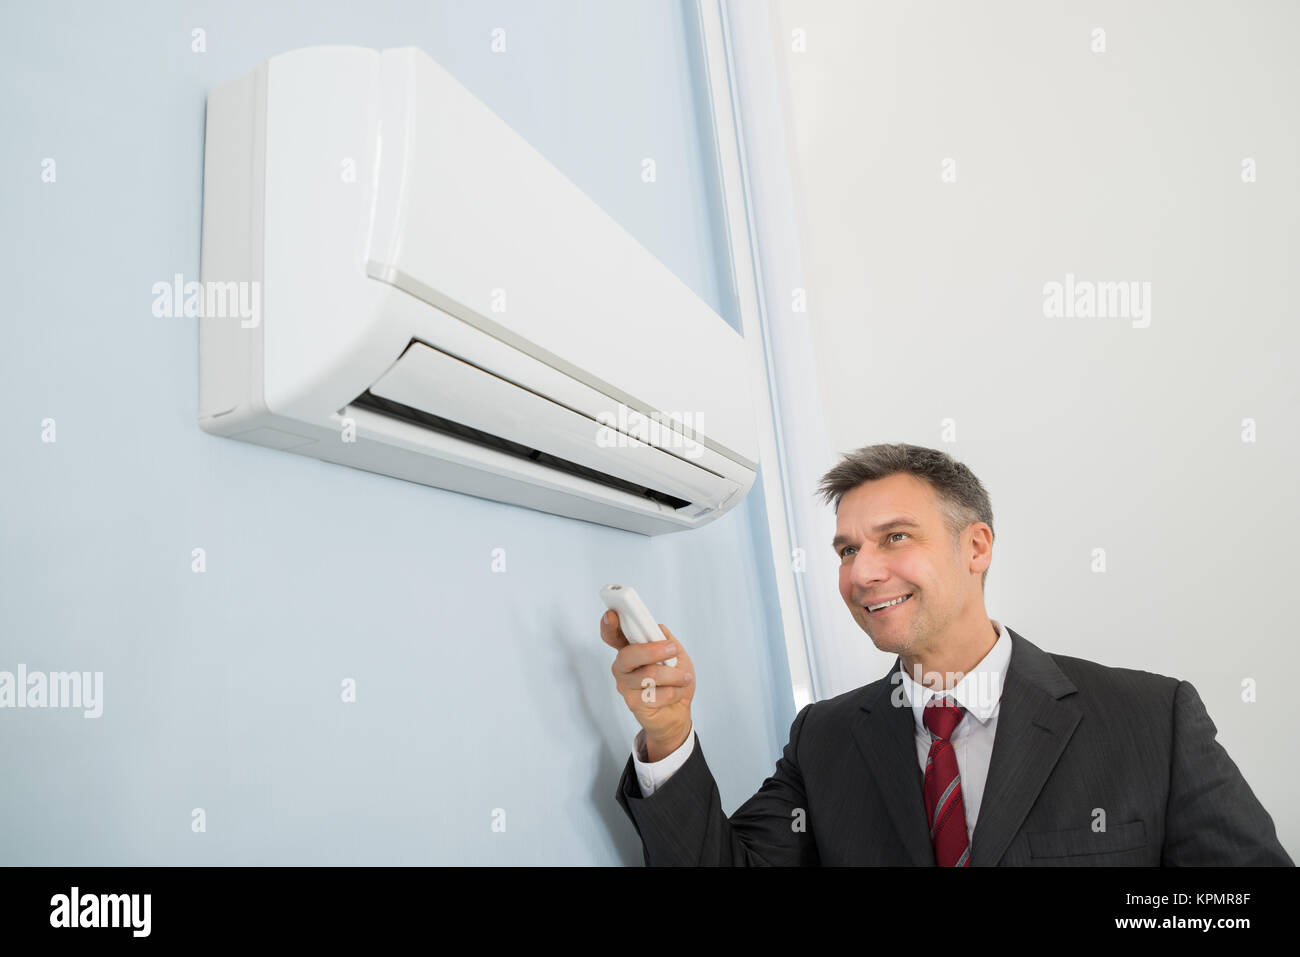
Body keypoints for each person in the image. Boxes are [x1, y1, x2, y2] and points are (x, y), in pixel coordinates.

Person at [603, 443, 1293, 866]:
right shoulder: (827, 740)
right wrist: (668, 735)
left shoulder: (1150, 719)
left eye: (895, 537)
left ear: (977, 546)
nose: (861, 571)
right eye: (847, 549)